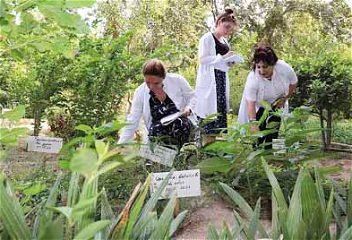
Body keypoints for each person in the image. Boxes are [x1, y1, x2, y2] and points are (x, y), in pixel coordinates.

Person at [118, 58, 196, 148]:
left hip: (182, 128)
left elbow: (193, 97)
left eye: (156, 83)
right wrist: (121, 146)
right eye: (148, 82)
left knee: (180, 126)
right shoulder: (140, 92)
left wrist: (188, 108)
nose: (151, 86)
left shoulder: (177, 80)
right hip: (157, 135)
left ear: (163, 78)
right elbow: (132, 121)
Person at [238, 46, 298, 148]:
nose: (261, 71)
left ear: (273, 64)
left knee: (273, 132)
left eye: (265, 67)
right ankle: (257, 154)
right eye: (258, 67)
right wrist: (253, 123)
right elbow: (251, 104)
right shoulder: (253, 79)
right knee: (258, 134)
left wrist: (285, 98)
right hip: (259, 105)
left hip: (277, 103)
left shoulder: (284, 68)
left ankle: (269, 155)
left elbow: (294, 82)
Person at [194, 8, 238, 144]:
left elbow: (221, 61)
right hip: (210, 81)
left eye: (230, 29)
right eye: (226, 27)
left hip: (221, 80)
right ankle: (205, 147)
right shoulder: (207, 38)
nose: (228, 31)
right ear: (219, 22)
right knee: (208, 115)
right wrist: (223, 57)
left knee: (218, 114)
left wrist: (230, 61)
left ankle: (212, 147)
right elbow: (202, 59)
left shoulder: (225, 41)